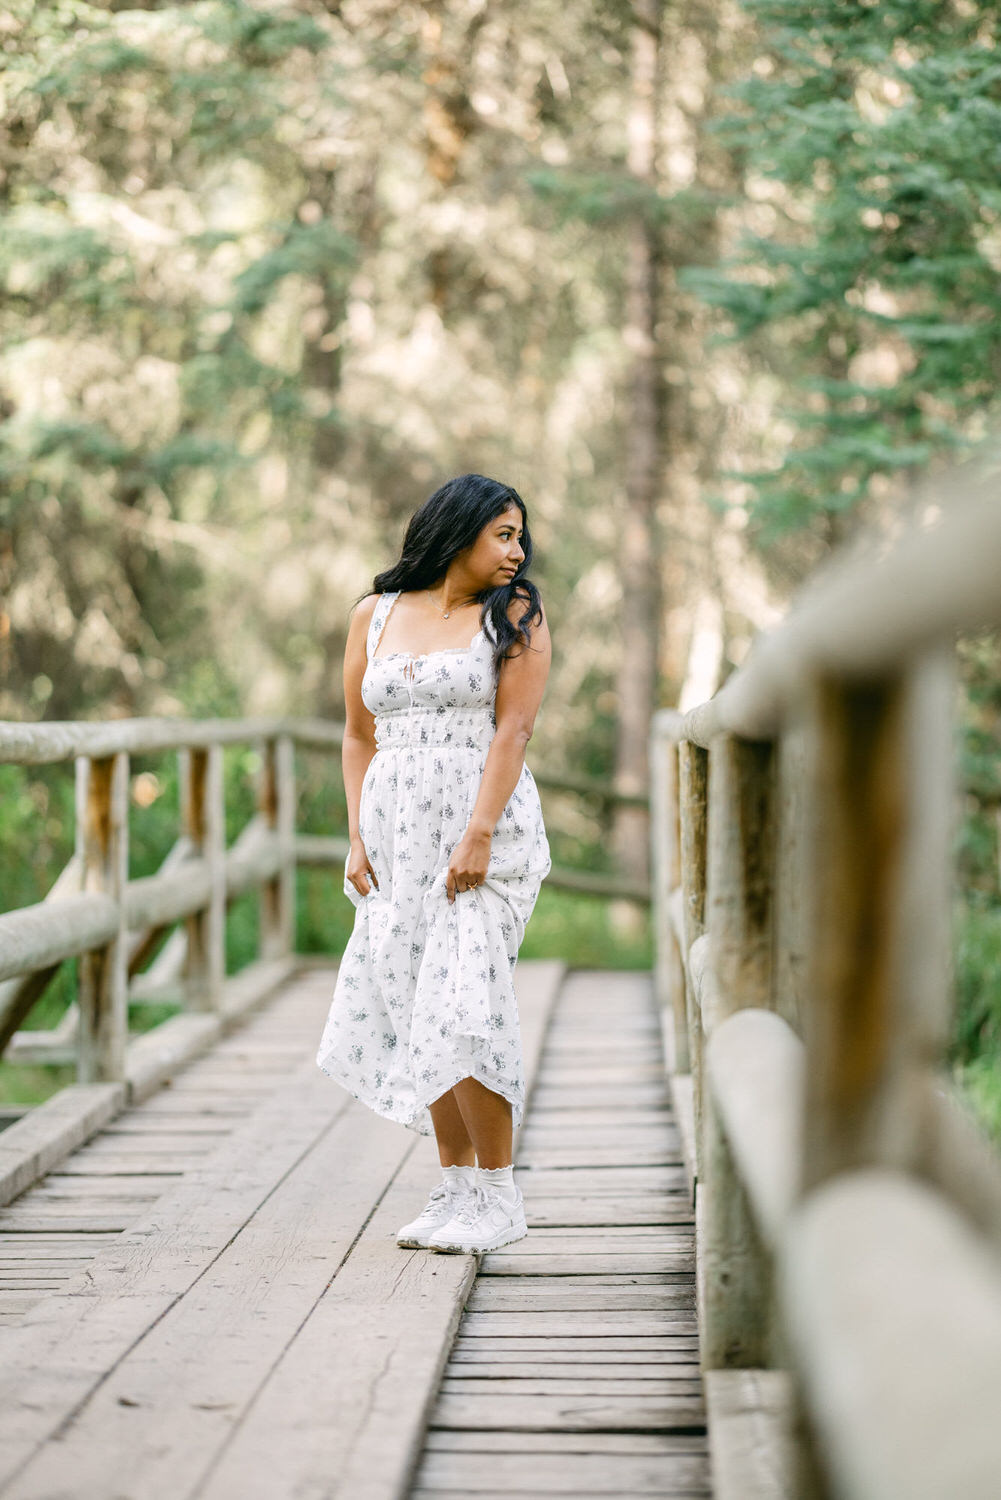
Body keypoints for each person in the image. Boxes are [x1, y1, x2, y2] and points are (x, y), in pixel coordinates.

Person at [315, 474, 552, 1255]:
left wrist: (479, 833)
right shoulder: (374, 615)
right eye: (503, 535)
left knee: (466, 1000)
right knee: (417, 1002)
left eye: (519, 536)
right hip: (393, 834)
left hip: (480, 830)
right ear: (458, 531)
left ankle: (499, 1194)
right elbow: (357, 734)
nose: (517, 551)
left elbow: (512, 732)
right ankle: (454, 1190)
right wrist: (357, 835)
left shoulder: (514, 614)